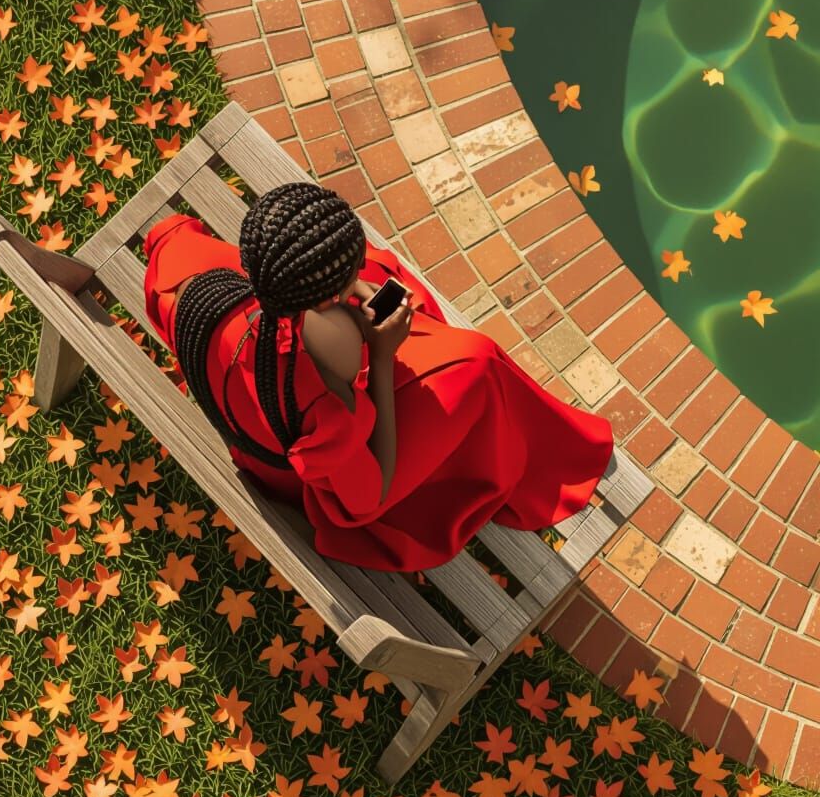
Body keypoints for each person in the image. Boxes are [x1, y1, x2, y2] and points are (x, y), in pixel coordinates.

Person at [142, 182, 614, 573]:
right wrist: (383, 358)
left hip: (246, 403)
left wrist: (346, 291)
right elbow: (364, 502)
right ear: (323, 301)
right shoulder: (318, 402)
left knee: (382, 275)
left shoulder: (201, 291)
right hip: (317, 471)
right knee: (478, 363)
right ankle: (547, 456)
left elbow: (170, 245)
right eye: (344, 283)